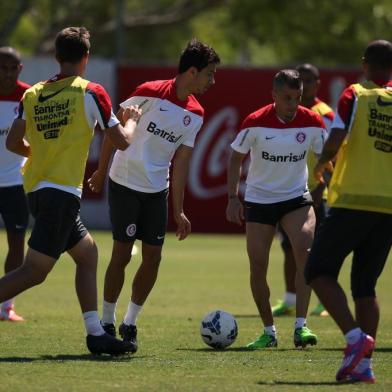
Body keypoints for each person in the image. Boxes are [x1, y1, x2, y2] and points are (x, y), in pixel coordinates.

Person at [2, 26, 139, 355]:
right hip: (60, 193)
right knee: (34, 272)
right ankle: (95, 333)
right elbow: (121, 140)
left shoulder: (32, 93)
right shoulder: (91, 91)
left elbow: (12, 142)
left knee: (87, 255)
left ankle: (95, 333)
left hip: (36, 190)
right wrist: (131, 119)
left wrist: (43, 155)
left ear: (56, 56)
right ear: (86, 58)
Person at [88, 38, 220, 351]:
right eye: (209, 74)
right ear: (191, 71)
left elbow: (182, 163)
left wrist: (179, 210)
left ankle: (130, 322)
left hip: (155, 191)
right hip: (124, 183)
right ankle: (107, 320)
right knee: (121, 254)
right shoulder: (148, 91)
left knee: (154, 257)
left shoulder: (197, 113)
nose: (212, 82)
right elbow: (114, 130)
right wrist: (101, 170)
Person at [305, 40, 392, 383]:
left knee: (317, 271)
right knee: (365, 286)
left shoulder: (355, 94)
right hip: (387, 206)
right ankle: (363, 366)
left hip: (353, 200)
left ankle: (355, 340)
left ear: (365, 64)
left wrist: (322, 165)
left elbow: (336, 134)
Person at [226, 69, 327, 349]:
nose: (293, 104)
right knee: (258, 266)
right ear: (273, 96)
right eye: (286, 98)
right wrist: (233, 198)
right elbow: (235, 158)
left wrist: (327, 179)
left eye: (297, 98)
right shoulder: (255, 123)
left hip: (296, 198)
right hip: (259, 200)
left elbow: (324, 157)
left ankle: (301, 328)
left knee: (305, 256)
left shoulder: (313, 122)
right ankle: (269, 332)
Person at [272, 63, 334, 318]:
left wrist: (320, 188)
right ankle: (289, 299)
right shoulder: (288, 113)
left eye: (309, 81)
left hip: (318, 191)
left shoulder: (325, 114)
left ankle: (324, 300)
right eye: (302, 80)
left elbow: (332, 153)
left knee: (317, 249)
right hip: (291, 191)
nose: (305, 85)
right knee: (288, 248)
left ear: (318, 84)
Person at [0, 47, 30, 321]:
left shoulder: (29, 97)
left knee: (17, 243)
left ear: (20, 69)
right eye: (2, 67)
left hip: (16, 184)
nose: (7, 73)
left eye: (12, 68)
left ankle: (5, 305)